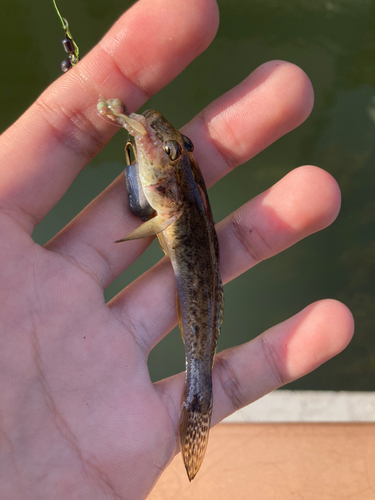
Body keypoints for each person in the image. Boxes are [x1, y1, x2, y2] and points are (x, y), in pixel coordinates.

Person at [0, 0, 354, 498]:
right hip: (185, 239)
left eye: (172, 151)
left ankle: (198, 389)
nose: (162, 144)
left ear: (170, 193)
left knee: (201, 357)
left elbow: (154, 210)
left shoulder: (170, 203)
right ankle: (199, 388)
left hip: (189, 262)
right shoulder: (167, 192)